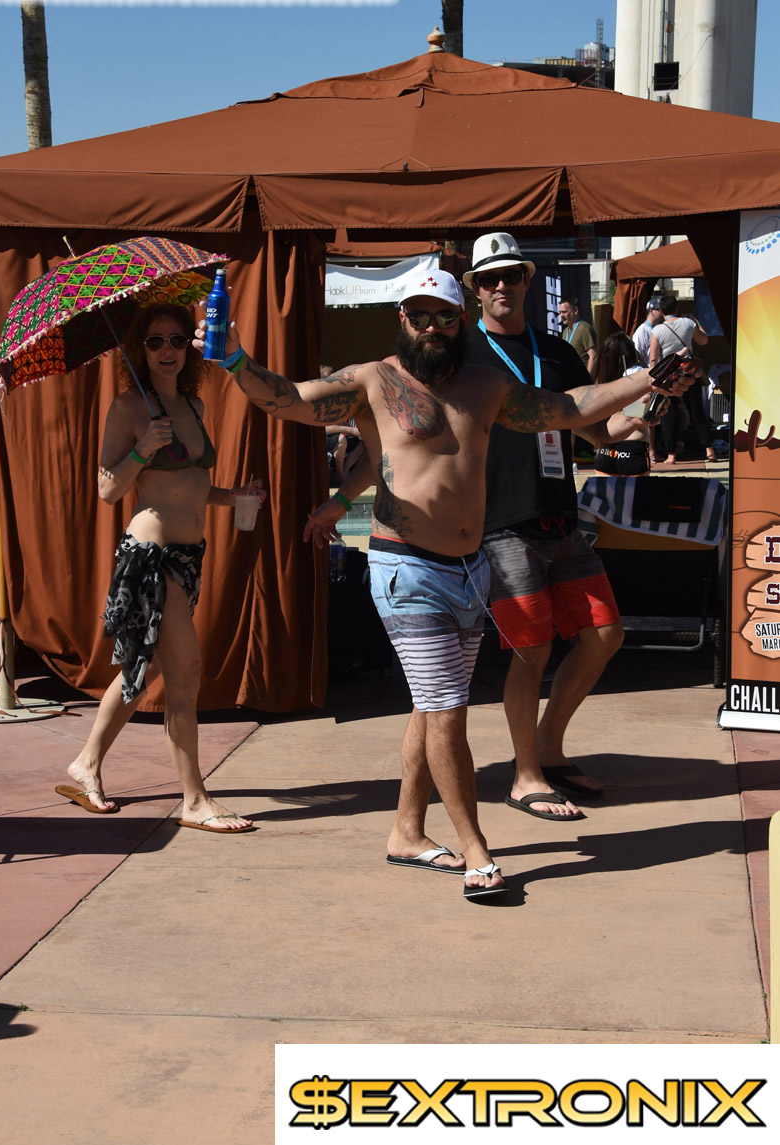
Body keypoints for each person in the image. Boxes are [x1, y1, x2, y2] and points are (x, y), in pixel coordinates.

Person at [199, 268, 693, 897]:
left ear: (462, 323)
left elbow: (569, 409)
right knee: (447, 715)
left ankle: (407, 831)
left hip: (469, 569)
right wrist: (236, 359)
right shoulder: (373, 380)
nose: (431, 327)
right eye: (419, 316)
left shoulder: (487, 386)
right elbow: (290, 399)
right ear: (402, 320)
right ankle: (477, 852)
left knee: (430, 711)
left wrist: (647, 379)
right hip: (405, 569)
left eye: (444, 317)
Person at [459, 233, 674, 822]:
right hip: (499, 523)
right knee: (530, 649)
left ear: (529, 280)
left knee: (605, 634)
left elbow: (597, 433)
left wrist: (654, 405)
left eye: (511, 275)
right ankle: (525, 776)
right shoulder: (460, 353)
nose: (501, 286)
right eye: (488, 279)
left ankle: (549, 749)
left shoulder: (553, 349)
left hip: (560, 518)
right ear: (474, 289)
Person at [56, 303, 264, 832]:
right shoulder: (129, 408)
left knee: (144, 667)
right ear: (139, 350)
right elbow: (108, 489)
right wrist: (142, 451)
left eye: (175, 340)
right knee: (185, 672)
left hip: (188, 557)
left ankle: (87, 762)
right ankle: (194, 799)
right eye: (154, 342)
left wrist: (233, 495)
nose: (167, 350)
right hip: (151, 557)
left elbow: (192, 486)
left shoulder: (191, 404)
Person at [649, 293, 715, 466]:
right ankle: (709, 449)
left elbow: (654, 360)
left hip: (669, 376)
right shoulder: (688, 323)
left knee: (670, 414)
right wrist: (697, 321)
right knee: (696, 410)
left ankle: (671, 454)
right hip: (689, 372)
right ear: (677, 308)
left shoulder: (657, 330)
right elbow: (704, 340)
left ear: (661, 311)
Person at [592, 332, 652, 476]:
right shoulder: (639, 378)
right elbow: (640, 414)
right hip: (633, 447)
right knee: (637, 498)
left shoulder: (599, 382)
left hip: (605, 450)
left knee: (605, 498)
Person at [559, 295, 597, 374]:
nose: (561, 315)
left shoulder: (584, 329)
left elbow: (593, 356)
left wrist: (588, 380)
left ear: (575, 310)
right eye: (560, 312)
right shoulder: (565, 332)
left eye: (564, 312)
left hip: (582, 380)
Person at [630, 295, 664, 368]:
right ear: (651, 311)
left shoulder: (660, 329)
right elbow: (638, 356)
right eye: (659, 309)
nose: (662, 312)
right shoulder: (642, 331)